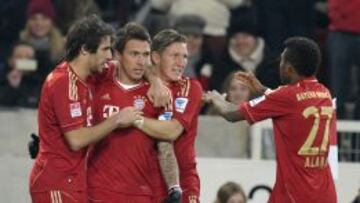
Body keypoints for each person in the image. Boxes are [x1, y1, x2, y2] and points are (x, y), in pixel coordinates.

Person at [204, 37, 337, 203]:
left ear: (288, 68)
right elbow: (293, 103)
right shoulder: (324, 93)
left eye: (281, 61)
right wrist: (263, 90)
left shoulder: (286, 96)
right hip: (325, 194)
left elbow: (232, 114)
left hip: (294, 194)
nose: (279, 65)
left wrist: (217, 99)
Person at [29, 15, 144, 203]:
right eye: (105, 49)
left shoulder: (91, 75)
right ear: (84, 49)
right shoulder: (63, 83)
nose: (109, 56)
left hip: (75, 182)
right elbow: (76, 139)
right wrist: (117, 119)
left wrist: (156, 83)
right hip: (56, 185)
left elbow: (131, 66)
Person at [87, 22, 179, 202]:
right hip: (97, 191)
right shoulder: (98, 80)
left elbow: (166, 146)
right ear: (118, 55)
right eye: (134, 54)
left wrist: (174, 187)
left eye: (145, 54)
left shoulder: (158, 95)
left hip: (140, 194)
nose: (141, 61)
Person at [133, 29, 203, 203]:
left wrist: (133, 119)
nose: (181, 63)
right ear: (156, 57)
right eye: (175, 56)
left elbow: (171, 132)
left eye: (185, 56)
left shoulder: (189, 87)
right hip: (146, 182)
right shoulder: (138, 87)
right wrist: (154, 80)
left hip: (184, 181)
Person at [0, 41, 39, 107]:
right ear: (10, 60)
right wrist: (12, 87)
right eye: (19, 57)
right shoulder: (2, 79)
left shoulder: (41, 82)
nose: (24, 60)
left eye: (29, 57)